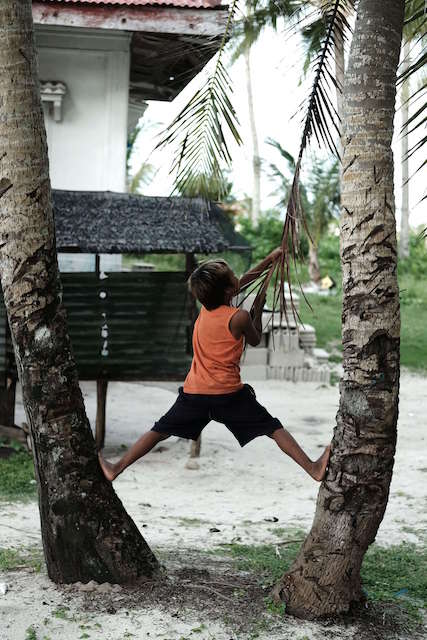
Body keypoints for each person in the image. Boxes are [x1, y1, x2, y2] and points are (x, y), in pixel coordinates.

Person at [98, 248, 330, 482]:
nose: (238, 279)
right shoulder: (238, 317)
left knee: (159, 431)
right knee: (273, 428)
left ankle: (116, 468)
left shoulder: (204, 311)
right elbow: (255, 339)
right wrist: (257, 311)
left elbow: (240, 283)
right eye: (233, 277)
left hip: (195, 394)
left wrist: (269, 260)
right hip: (228, 395)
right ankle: (313, 468)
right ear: (229, 290)